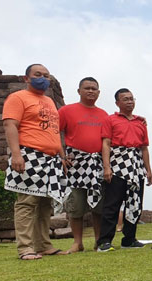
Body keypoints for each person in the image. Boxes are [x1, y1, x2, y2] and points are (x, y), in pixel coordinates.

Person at [2, 63, 69, 260]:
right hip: (29, 155)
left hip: (51, 158)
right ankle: (25, 247)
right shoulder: (17, 98)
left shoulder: (48, 101)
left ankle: (43, 245)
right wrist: (16, 154)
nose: (42, 78)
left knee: (45, 203)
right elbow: (10, 125)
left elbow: (54, 131)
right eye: (38, 74)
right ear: (27, 78)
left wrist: (61, 156)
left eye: (46, 75)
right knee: (27, 202)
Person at [96, 88, 152, 252]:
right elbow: (106, 143)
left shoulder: (140, 122)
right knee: (112, 204)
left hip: (136, 166)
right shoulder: (111, 119)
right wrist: (107, 167)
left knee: (135, 203)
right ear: (117, 103)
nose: (129, 101)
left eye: (131, 98)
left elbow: (144, 149)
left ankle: (129, 239)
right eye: (125, 99)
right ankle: (105, 241)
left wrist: (148, 170)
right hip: (118, 165)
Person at [58, 77, 108, 253]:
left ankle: (98, 240)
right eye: (87, 88)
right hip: (75, 162)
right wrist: (62, 155)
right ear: (79, 91)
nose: (91, 91)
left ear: (99, 92)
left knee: (99, 204)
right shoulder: (66, 111)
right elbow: (55, 132)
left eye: (94, 88)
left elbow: (107, 141)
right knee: (76, 203)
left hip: (97, 163)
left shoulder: (104, 115)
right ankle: (77, 242)